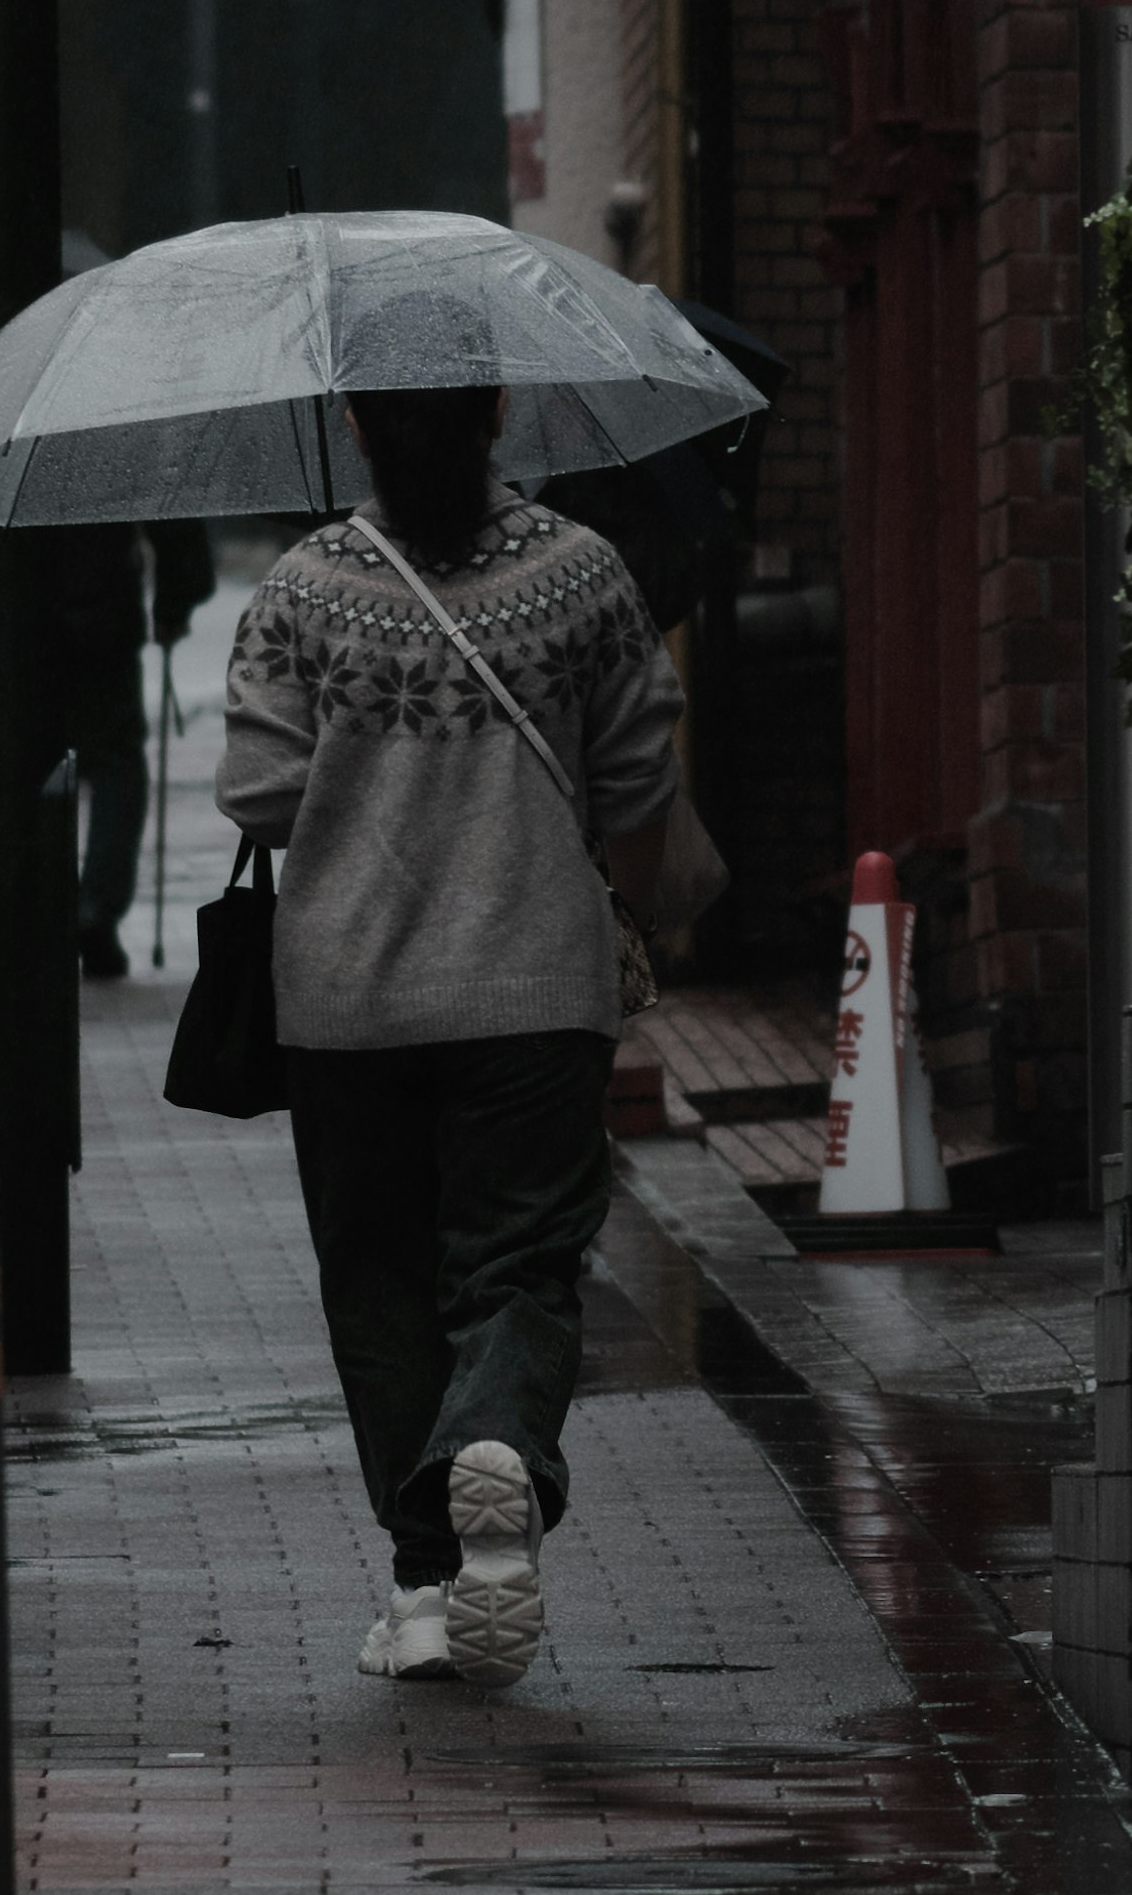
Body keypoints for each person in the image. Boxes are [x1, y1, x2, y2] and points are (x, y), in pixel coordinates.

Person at [213, 383, 685, 1692]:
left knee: (377, 1278)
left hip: (347, 1002)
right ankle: (497, 1450)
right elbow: (645, 775)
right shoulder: (585, 577)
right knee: (520, 1264)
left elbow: (255, 792)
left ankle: (427, 1587)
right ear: (501, 412)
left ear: (357, 426)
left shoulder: (307, 585)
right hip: (537, 992)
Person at [56, 515, 215, 976]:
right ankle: (97, 907)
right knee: (115, 766)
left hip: (14, 615)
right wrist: (173, 604)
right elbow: (174, 523)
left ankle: (22, 906)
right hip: (102, 615)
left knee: (18, 762)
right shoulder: (105, 443)